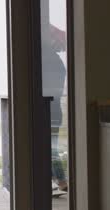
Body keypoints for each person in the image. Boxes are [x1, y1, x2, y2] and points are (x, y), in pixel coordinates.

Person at [42, 24, 68, 192]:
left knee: (49, 147)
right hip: (54, 109)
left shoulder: (48, 60)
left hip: (49, 110)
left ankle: (60, 180)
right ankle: (58, 180)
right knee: (51, 146)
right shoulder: (56, 62)